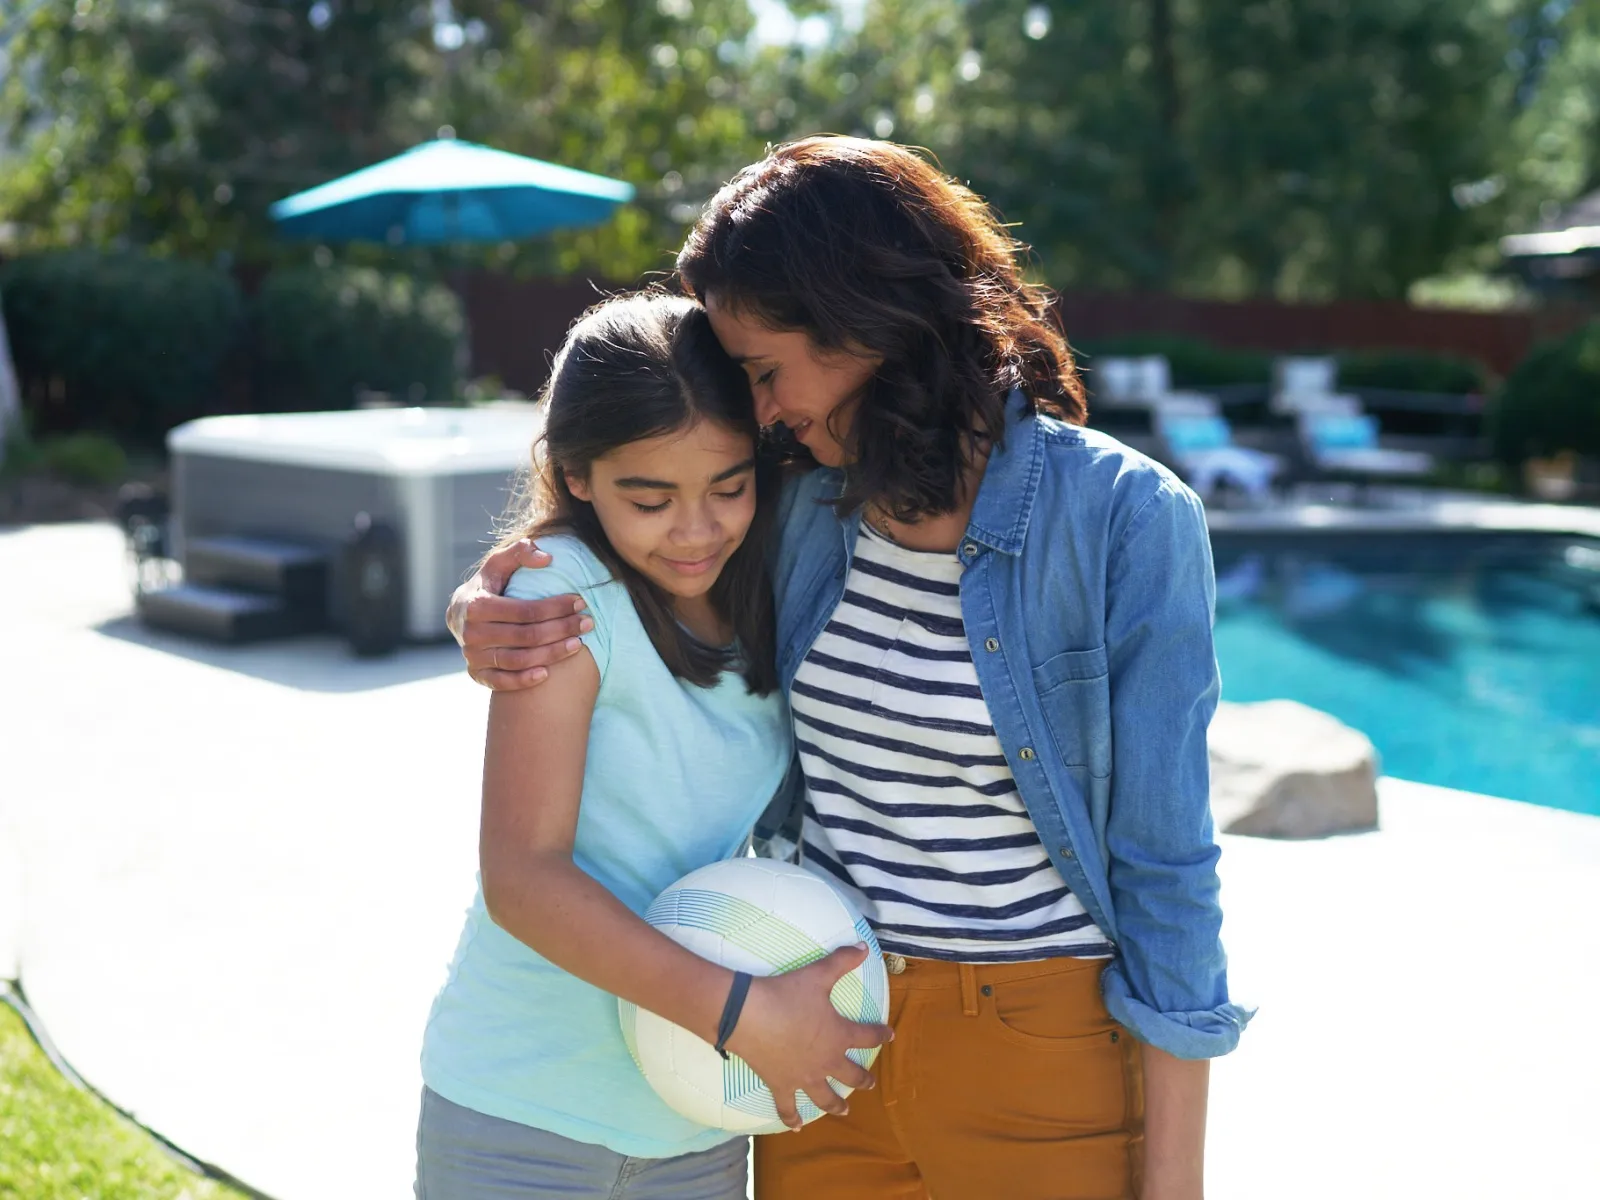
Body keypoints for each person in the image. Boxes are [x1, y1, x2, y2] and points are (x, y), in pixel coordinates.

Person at [448, 138, 1253, 1200]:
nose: (763, 409)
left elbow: (1166, 867)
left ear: (866, 321)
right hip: (815, 1021)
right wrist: (481, 603)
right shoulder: (801, 498)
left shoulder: (1125, 521)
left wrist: (1176, 1181)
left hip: (1040, 1046)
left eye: (767, 372)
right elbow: (632, 530)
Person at [416, 291, 892, 1200]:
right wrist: (742, 1015)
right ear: (579, 475)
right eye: (650, 497)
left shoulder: (772, 576)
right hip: (522, 1113)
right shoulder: (561, 595)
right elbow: (522, 879)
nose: (696, 528)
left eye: (728, 485)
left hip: (699, 1117)